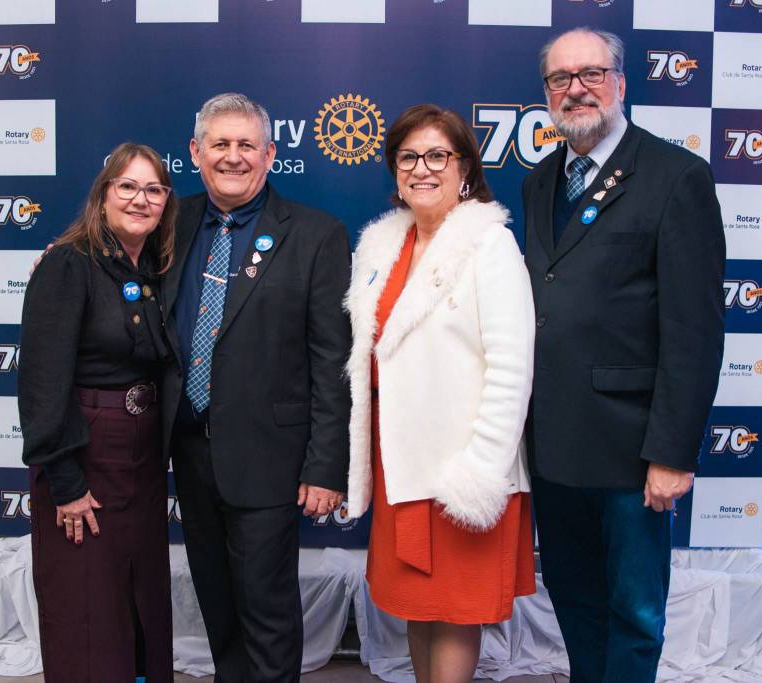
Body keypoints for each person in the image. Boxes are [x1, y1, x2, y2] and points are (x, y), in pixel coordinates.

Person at [521, 28, 725, 682]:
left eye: (591, 73)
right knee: (573, 596)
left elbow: (695, 330)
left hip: (632, 449)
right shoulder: (539, 182)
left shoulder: (676, 177)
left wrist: (672, 452)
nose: (576, 89)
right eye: (560, 78)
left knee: (634, 611)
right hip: (553, 444)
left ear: (621, 83)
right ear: (547, 93)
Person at [163, 93, 351, 682]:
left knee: (266, 611)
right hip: (188, 449)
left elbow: (333, 360)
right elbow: (108, 263)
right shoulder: (170, 221)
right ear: (195, 152)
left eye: (247, 145)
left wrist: (326, 466)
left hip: (270, 457)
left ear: (270, 155)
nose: (233, 156)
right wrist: (59, 259)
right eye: (220, 143)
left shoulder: (316, 235)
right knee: (217, 606)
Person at [346, 104, 537, 682]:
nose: (421, 169)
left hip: (462, 467)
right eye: (408, 157)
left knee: (455, 612)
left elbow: (512, 366)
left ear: (465, 168)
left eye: (437, 155)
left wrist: (481, 468)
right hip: (401, 466)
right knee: (419, 607)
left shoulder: (490, 245)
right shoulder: (382, 247)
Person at [18, 142, 179, 681]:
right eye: (127, 186)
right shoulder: (67, 264)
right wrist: (65, 483)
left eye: (153, 189)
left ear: (166, 201)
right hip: (85, 456)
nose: (141, 199)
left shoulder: (155, 268)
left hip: (142, 457)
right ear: (103, 194)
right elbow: (42, 383)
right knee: (87, 604)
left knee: (139, 599)